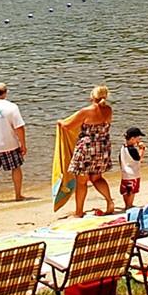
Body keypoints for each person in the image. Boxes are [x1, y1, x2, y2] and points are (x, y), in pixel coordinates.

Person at [55, 87, 117, 218]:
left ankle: (79, 212)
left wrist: (60, 122)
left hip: (87, 148)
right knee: (97, 178)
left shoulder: (86, 111)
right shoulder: (108, 110)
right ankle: (109, 201)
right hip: (103, 146)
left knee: (81, 181)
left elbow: (68, 126)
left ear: (92, 97)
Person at [119, 127, 147, 210]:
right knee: (132, 191)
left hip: (125, 174)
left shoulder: (123, 148)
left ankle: (126, 204)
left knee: (125, 190)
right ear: (132, 138)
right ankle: (129, 205)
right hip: (133, 174)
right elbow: (138, 159)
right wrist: (142, 149)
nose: (139, 139)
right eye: (138, 138)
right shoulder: (132, 149)